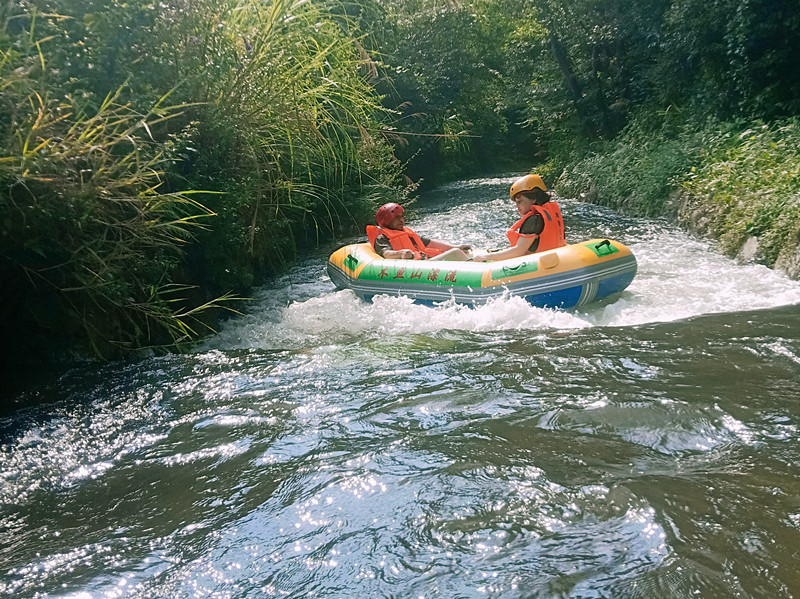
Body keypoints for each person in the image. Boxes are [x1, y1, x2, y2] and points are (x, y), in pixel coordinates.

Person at [473, 174, 566, 262]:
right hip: (555, 261)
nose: (517, 206)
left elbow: (518, 251)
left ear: (533, 198)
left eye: (520, 201)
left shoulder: (534, 220)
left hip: (538, 267)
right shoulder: (550, 214)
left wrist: (488, 257)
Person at [366, 203, 471, 261]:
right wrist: (401, 253)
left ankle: (479, 262)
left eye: (402, 217)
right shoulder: (382, 238)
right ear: (387, 220)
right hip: (418, 268)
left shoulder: (408, 234)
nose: (402, 220)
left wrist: (457, 246)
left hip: (425, 263)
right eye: (397, 218)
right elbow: (386, 253)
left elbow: (434, 244)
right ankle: (475, 265)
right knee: (455, 253)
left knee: (458, 251)